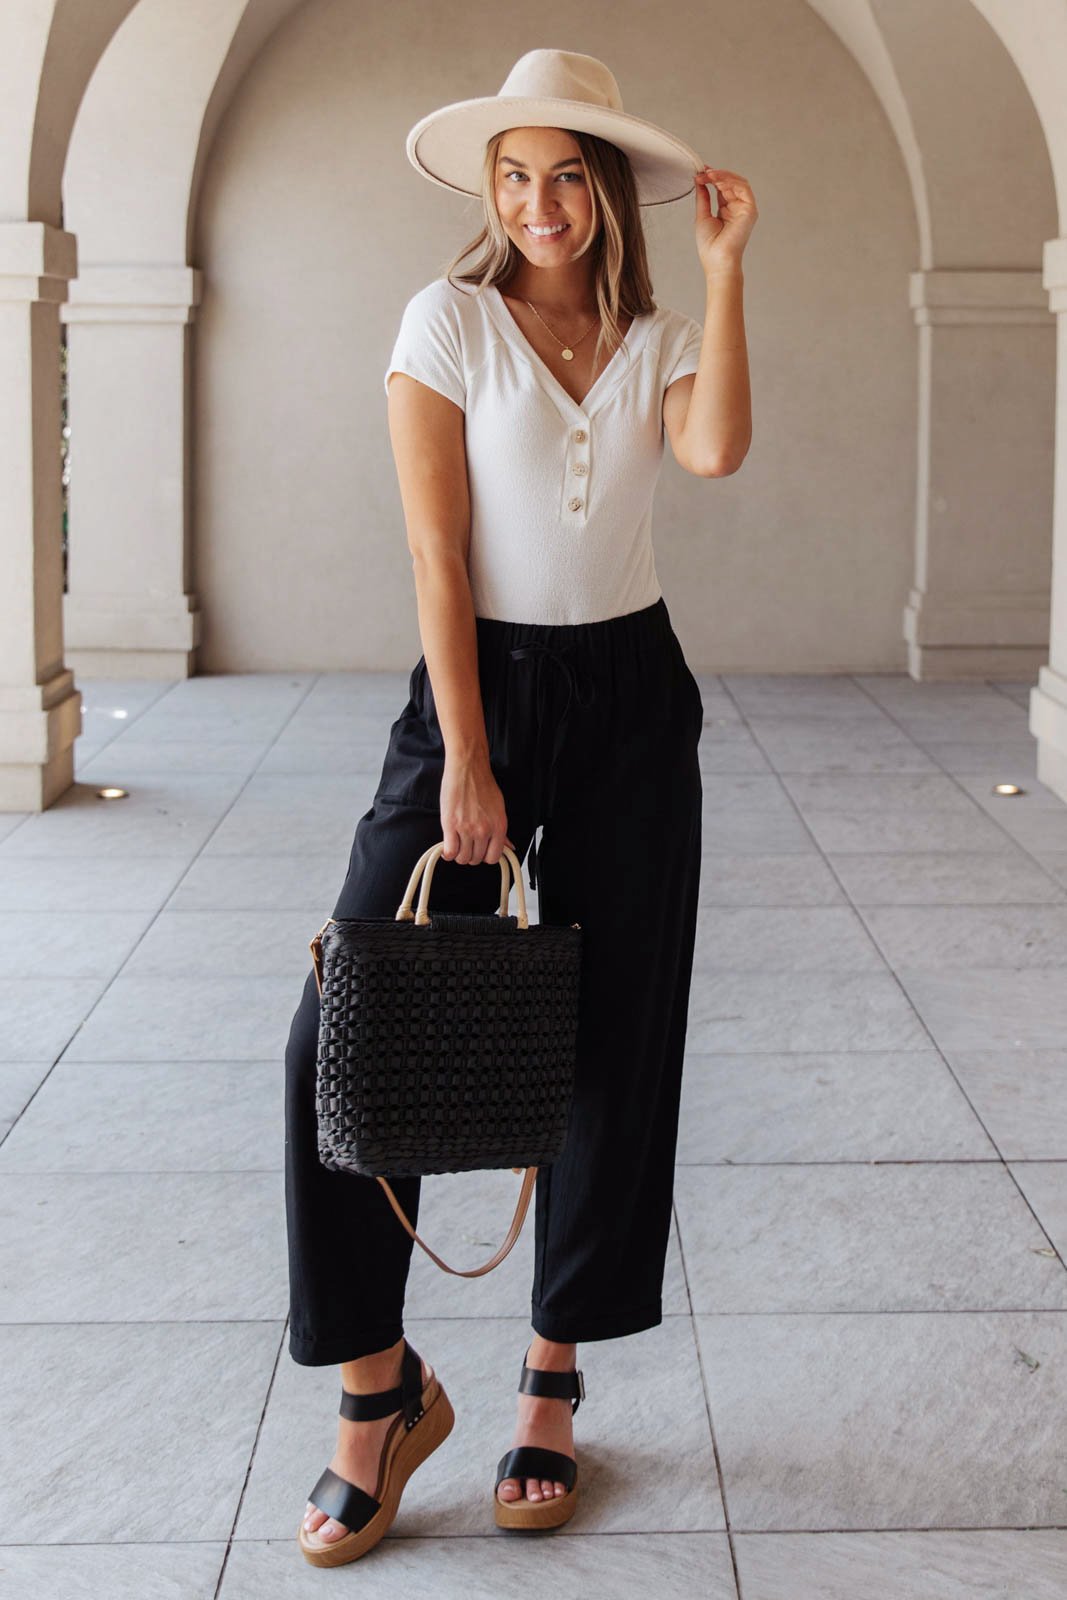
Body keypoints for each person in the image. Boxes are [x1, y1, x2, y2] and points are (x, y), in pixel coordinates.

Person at [288, 47, 756, 1567]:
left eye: (566, 174)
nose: (539, 201)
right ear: (489, 191)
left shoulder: (654, 329)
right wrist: (470, 762)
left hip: (631, 697)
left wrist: (726, 272)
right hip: (474, 690)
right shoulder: (449, 321)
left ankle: (552, 1382)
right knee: (346, 1031)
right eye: (515, 175)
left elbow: (716, 450)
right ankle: (380, 1390)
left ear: (603, 190)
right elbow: (438, 558)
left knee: (617, 1033)